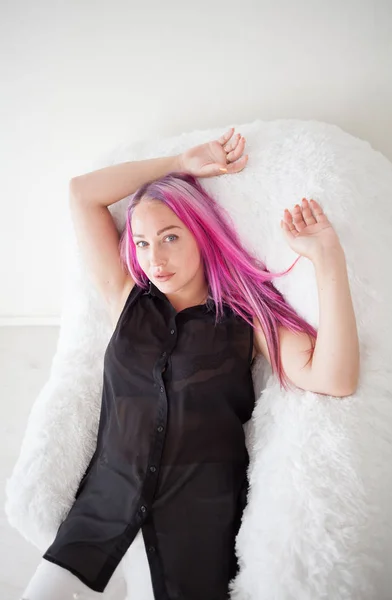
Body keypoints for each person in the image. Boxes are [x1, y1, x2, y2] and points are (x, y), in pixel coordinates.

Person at [20, 127, 360, 600]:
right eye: (141, 243)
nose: (154, 259)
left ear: (201, 235)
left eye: (170, 237)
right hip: (100, 517)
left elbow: (335, 377)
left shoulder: (246, 320)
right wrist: (178, 162)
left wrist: (329, 261)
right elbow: (82, 193)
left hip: (195, 531)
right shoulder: (127, 301)